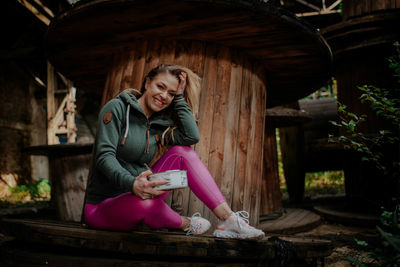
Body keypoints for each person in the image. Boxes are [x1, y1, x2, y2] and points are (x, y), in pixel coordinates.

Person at [84, 64, 265, 239]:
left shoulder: (158, 124)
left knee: (182, 152)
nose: (163, 95)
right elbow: (104, 157)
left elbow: (191, 136)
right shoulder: (117, 108)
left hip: (141, 192)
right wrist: (133, 184)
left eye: (170, 93)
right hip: (102, 206)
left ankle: (227, 219)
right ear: (147, 83)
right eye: (160, 86)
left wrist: (179, 98)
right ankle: (186, 223)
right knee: (146, 204)